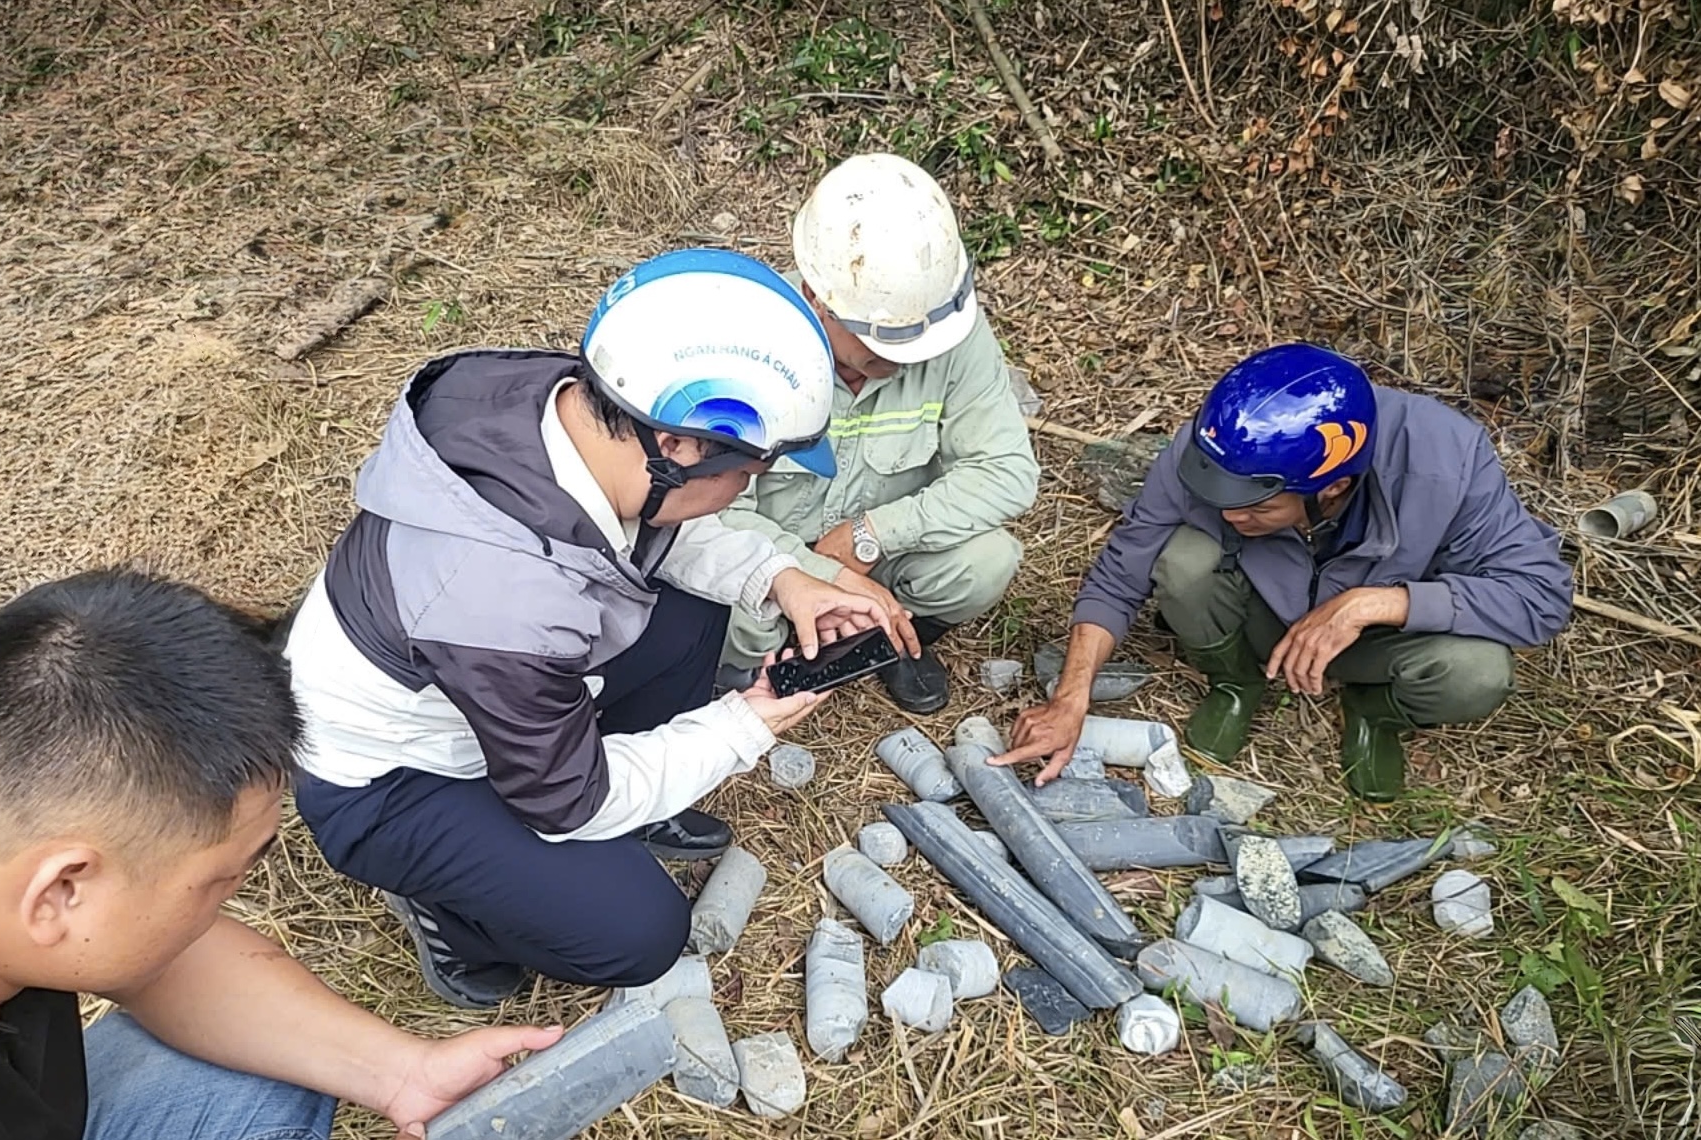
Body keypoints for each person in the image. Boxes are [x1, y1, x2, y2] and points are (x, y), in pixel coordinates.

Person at [285, 249, 904, 1010]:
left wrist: (780, 577)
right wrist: (743, 724)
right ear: (678, 447)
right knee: (638, 930)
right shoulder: (501, 601)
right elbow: (569, 802)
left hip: (481, 685)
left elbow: (644, 524)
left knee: (693, 608)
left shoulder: (578, 410)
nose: (750, 487)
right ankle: (450, 912)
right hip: (390, 781)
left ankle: (627, 807)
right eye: (751, 471)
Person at [0, 569, 561, 1140]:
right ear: (61, 891)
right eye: (216, 884)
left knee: (262, 1074)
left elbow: (167, 963)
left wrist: (403, 1073)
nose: (225, 907)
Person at [997, 344, 1573, 801]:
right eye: (1223, 499)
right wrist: (1071, 696)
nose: (1230, 515)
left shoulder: (1447, 460)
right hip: (1260, 612)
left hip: (1380, 640)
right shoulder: (1215, 448)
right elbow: (1121, 574)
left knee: (1477, 672)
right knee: (1184, 560)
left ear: (1333, 487)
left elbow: (1542, 596)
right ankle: (1237, 681)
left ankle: (1374, 712)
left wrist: (1376, 603)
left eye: (1256, 507)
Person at [718, 153, 1039, 714]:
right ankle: (761, 665)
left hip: (882, 559)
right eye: (884, 341)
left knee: (985, 563)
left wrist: (874, 535)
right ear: (816, 297)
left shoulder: (952, 332)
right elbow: (717, 514)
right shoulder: (749, 342)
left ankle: (883, 636)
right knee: (732, 618)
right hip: (773, 557)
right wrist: (819, 573)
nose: (907, 357)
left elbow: (1008, 472)